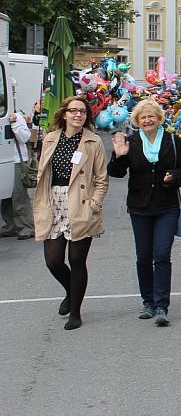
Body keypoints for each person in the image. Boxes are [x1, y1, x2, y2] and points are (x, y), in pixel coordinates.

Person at [108, 100, 181, 327]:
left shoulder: (173, 141)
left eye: (151, 116)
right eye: (143, 118)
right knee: (144, 257)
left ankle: (162, 305)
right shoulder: (131, 142)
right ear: (136, 121)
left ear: (159, 118)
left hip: (167, 206)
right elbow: (115, 173)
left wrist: (173, 177)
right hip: (139, 207)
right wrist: (119, 155)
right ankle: (148, 301)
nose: (147, 120)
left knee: (162, 254)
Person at [32, 96, 108, 330]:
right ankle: (70, 291)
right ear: (64, 114)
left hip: (80, 202)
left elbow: (101, 179)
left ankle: (75, 311)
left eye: (82, 112)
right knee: (53, 261)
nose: (78, 115)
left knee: (77, 260)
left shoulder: (93, 142)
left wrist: (93, 204)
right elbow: (42, 171)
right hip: (53, 201)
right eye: (73, 111)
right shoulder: (51, 139)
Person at [1, 110, 34, 239]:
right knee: (5, 197)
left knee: (18, 194)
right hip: (4, 161)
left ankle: (27, 227)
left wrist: (14, 124)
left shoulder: (16, 116)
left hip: (15, 160)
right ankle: (10, 225)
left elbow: (25, 137)